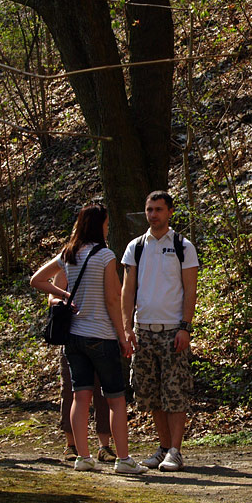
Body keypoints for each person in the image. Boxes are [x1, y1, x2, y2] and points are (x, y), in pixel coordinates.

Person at [30, 203, 147, 474]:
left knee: (80, 397)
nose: (108, 227)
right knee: (115, 399)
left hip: (73, 337)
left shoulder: (69, 254)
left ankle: (82, 457)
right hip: (101, 335)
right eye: (106, 223)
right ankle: (123, 459)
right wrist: (123, 336)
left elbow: (37, 280)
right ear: (100, 225)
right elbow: (111, 299)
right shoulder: (105, 256)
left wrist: (63, 296)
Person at [121, 191, 200, 473]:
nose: (153, 214)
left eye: (158, 209)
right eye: (149, 209)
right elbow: (128, 290)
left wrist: (185, 327)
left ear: (170, 212)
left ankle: (176, 451)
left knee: (175, 392)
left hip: (173, 331)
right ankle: (164, 447)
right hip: (144, 331)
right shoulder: (136, 247)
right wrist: (127, 327)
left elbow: (190, 289)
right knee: (152, 393)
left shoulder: (183, 246)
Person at [50, 271, 115, 463]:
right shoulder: (66, 259)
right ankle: (72, 445)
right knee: (71, 390)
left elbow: (114, 295)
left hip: (101, 333)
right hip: (71, 336)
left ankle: (104, 446)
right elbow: (52, 296)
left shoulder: (104, 257)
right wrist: (64, 300)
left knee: (103, 391)